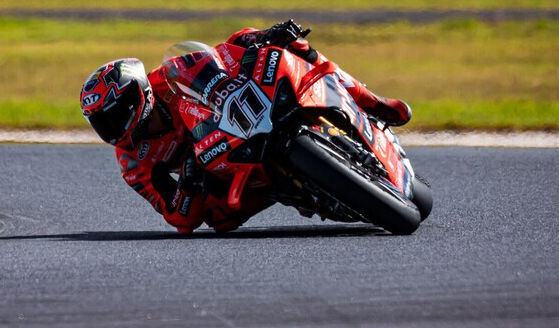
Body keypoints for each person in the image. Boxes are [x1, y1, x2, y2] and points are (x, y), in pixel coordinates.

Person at [79, 20, 411, 234]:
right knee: (218, 219)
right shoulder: (133, 163)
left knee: (289, 46)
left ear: (138, 95)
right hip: (218, 166)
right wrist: (190, 185)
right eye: (100, 123)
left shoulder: (167, 78)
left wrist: (262, 37)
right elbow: (178, 217)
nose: (110, 129)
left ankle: (369, 100)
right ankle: (297, 186)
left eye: (112, 115)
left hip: (237, 112)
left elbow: (226, 50)